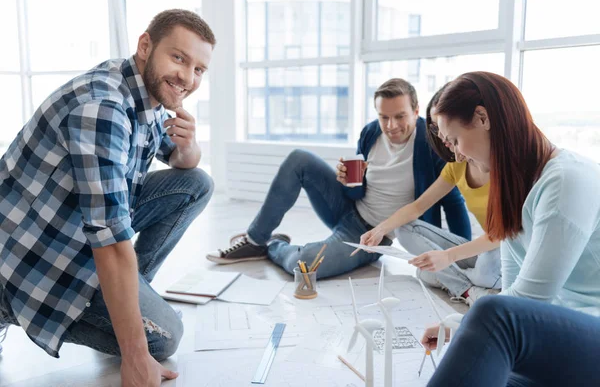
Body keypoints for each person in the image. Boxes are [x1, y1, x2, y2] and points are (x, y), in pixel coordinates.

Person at [0, 9, 215, 386]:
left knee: (197, 182)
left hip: (70, 228)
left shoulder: (141, 91)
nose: (187, 78)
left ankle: (124, 295)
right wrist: (135, 355)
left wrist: (188, 145)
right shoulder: (104, 108)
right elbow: (110, 240)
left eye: (199, 69)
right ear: (146, 46)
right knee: (164, 338)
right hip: (29, 254)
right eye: (179, 58)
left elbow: (183, 165)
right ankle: (8, 305)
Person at [418, 71, 600, 384]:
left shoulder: (567, 180)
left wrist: (462, 325)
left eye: (456, 140)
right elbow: (513, 290)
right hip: (555, 336)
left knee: (492, 315)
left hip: (587, 331)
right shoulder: (514, 189)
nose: (457, 154)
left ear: (482, 117)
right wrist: (460, 328)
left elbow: (525, 303)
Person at [207, 78, 471, 279]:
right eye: (384, 117)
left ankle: (273, 245)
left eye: (400, 116)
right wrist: (350, 182)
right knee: (299, 158)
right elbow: (357, 193)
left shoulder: (432, 142)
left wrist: (464, 257)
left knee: (305, 268)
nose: (391, 126)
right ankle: (256, 239)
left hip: (371, 236)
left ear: (415, 112)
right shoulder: (371, 133)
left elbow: (453, 199)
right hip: (348, 209)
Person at [359, 84, 501, 306]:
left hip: (504, 253)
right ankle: (470, 289)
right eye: (435, 128)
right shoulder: (457, 164)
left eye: (445, 129)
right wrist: (380, 229)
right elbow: (417, 207)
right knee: (409, 239)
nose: (442, 136)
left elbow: (501, 235)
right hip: (485, 250)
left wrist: (449, 257)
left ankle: (462, 283)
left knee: (473, 268)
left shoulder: (500, 165)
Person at [424, 296, 600, 387]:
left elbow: (529, 295)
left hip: (582, 331)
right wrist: (468, 329)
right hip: (564, 337)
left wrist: (475, 328)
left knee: (496, 317)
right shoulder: (514, 228)